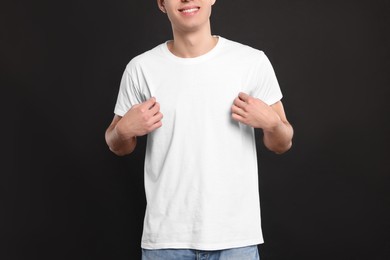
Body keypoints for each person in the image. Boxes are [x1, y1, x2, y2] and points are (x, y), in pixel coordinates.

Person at [105, 0, 294, 259]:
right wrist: (123, 131)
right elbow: (116, 143)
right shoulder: (141, 68)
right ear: (161, 3)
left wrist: (272, 124)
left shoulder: (251, 62)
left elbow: (282, 143)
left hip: (235, 238)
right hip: (166, 241)